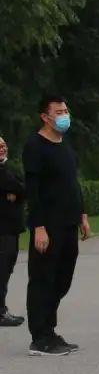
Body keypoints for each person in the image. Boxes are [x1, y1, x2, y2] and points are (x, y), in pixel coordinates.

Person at [23, 96, 90, 356]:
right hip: (48, 225)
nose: (64, 115)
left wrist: (82, 214)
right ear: (45, 116)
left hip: (68, 222)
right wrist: (38, 226)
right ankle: (39, 337)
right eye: (59, 111)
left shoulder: (65, 146)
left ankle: (50, 330)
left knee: (62, 279)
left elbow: (72, 183)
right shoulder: (35, 146)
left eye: (66, 110)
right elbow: (33, 190)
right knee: (43, 279)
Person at [0, 135, 26, 327]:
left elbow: (25, 188)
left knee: (7, 268)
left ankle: (2, 308)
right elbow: (17, 186)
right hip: (3, 229)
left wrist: (17, 192)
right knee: (2, 269)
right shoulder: (3, 172)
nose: (2, 148)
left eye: (3, 145)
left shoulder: (9, 168)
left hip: (12, 228)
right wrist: (17, 190)